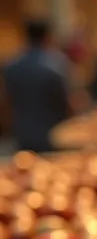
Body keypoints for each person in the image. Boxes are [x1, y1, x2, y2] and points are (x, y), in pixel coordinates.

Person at [2, 19, 70, 152]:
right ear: (47, 37)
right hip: (53, 134)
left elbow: (6, 101)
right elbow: (66, 101)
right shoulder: (56, 64)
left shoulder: (12, 65)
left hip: (22, 132)